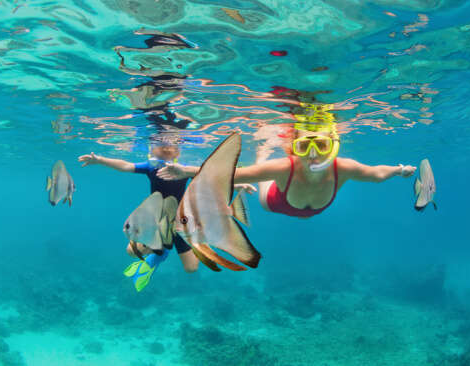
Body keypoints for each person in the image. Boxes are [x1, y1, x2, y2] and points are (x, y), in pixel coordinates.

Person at [158, 108, 416, 218]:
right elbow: (232, 174)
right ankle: (263, 152)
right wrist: (186, 170)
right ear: (294, 149)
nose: (313, 155)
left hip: (312, 208)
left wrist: (399, 170)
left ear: (333, 146)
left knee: (254, 175)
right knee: (256, 176)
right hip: (275, 203)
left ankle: (262, 157)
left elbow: (376, 174)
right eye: (304, 146)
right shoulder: (285, 168)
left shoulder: (344, 167)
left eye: (321, 145)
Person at [78, 139, 255, 290]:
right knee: (131, 251)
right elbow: (126, 166)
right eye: (162, 144)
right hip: (156, 221)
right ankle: (156, 256)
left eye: (172, 144)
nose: (168, 146)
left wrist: (238, 186)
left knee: (192, 268)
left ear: (179, 150)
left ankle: (160, 252)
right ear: (150, 148)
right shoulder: (150, 167)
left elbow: (210, 181)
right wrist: (100, 160)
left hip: (183, 222)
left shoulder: (184, 169)